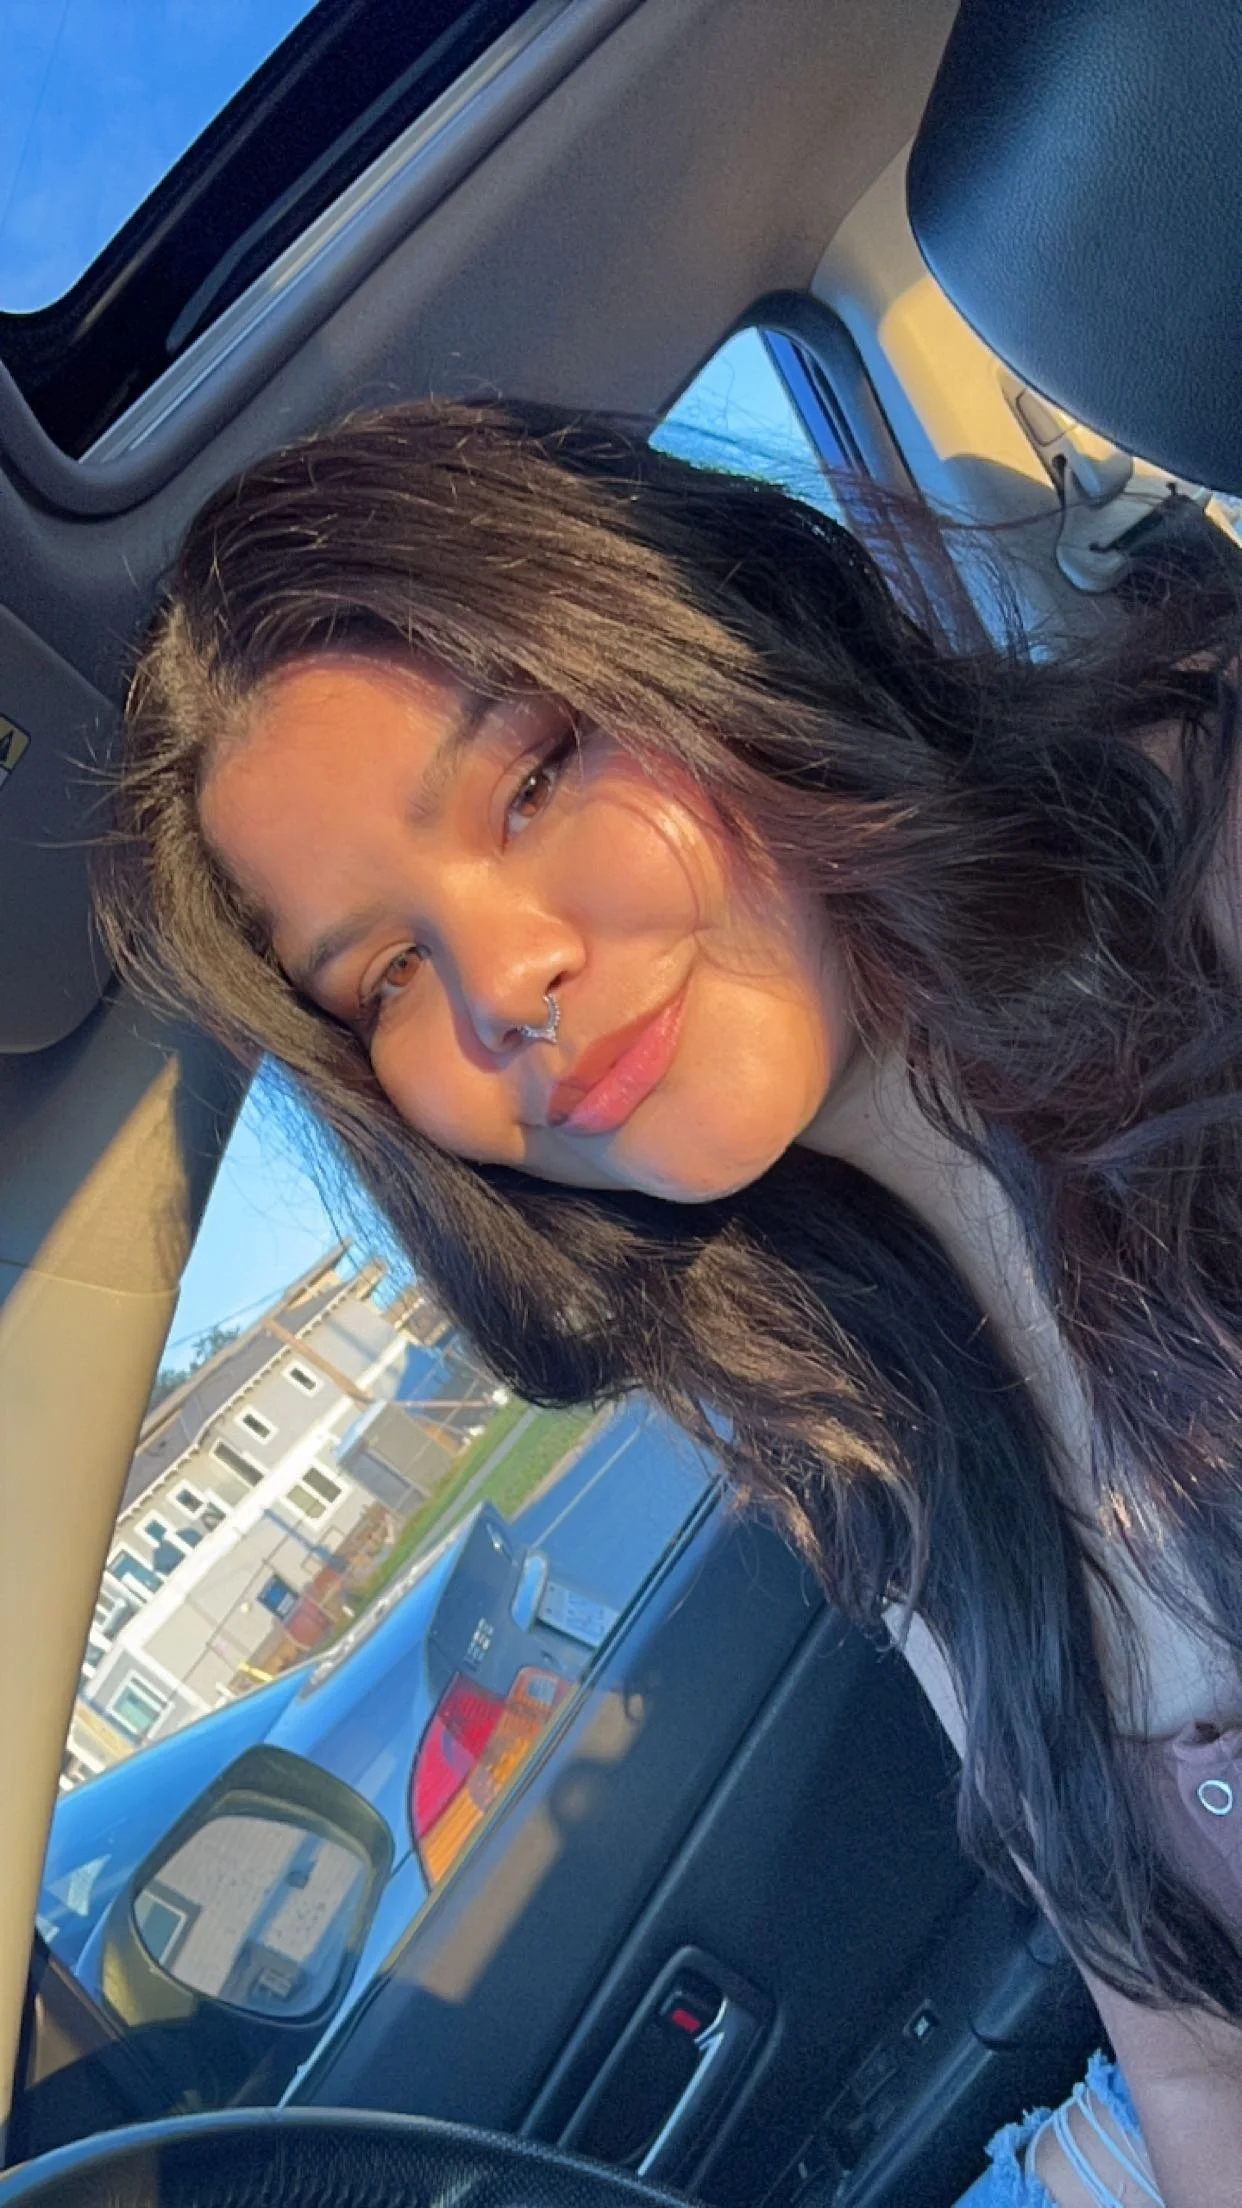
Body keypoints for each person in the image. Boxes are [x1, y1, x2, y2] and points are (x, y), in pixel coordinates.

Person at [100, 400, 1242, 2205]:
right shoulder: (827, 1398)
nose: (501, 985)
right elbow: (1190, 2053)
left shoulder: (1208, 856)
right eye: (384, 974)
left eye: (534, 778)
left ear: (713, 636)